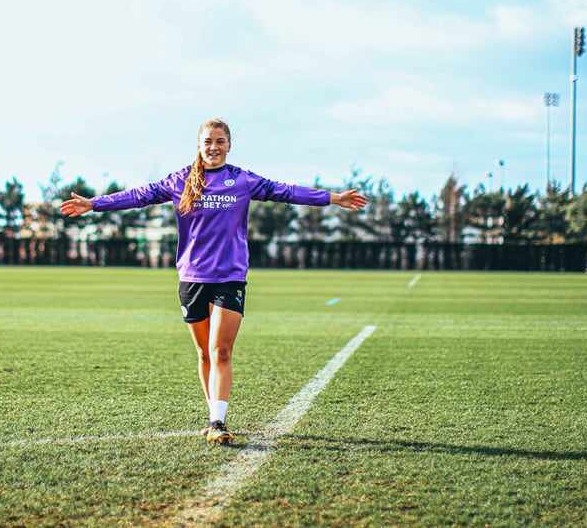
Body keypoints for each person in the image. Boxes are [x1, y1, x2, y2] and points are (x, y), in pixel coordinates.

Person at [60, 117, 367, 444]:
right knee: (204, 353)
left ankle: (218, 422)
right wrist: (94, 204)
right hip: (192, 277)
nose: (214, 147)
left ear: (229, 145)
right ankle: (212, 417)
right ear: (199, 145)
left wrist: (332, 198)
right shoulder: (181, 180)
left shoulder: (243, 180)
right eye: (208, 141)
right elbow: (139, 196)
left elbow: (287, 192)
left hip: (229, 276)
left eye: (220, 141)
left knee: (221, 350)